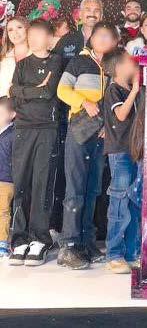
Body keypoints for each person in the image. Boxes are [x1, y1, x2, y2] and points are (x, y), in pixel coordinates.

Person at [57, 21, 118, 270]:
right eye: (98, 35)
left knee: (93, 189)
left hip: (101, 134)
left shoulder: (114, 67)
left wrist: (108, 126)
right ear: (91, 39)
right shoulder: (79, 61)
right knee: (75, 188)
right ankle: (69, 246)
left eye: (108, 36)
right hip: (79, 130)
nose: (103, 39)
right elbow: (62, 90)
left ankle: (87, 242)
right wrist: (83, 102)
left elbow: (116, 101)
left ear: (115, 42)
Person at [8, 20, 63, 266]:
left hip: (47, 129)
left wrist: (25, 90)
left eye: (40, 34)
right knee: (21, 182)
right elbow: (13, 94)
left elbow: (48, 92)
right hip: (23, 129)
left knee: (42, 182)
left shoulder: (57, 61)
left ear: (50, 38)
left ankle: (40, 238)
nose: (34, 38)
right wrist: (30, 90)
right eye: (31, 34)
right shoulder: (21, 64)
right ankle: (19, 239)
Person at [102, 48, 141, 273]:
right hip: (120, 153)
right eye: (128, 61)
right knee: (119, 201)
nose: (133, 64)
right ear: (117, 67)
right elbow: (121, 115)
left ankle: (132, 252)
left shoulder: (134, 91)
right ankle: (114, 254)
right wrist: (135, 90)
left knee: (134, 202)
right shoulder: (114, 90)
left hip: (136, 152)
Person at [54, 0, 103, 69]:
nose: (92, 14)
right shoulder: (66, 40)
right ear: (80, 14)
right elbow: (54, 67)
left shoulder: (108, 41)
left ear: (101, 16)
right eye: (88, 10)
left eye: (96, 11)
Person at [0, 16, 30, 97]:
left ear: (27, 29)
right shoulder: (3, 59)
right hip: (5, 102)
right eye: (10, 30)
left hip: (34, 102)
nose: (15, 32)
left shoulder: (40, 53)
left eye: (19, 27)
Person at [0, 96, 15, 257]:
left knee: (3, 211)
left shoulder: (12, 134)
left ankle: (2, 242)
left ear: (12, 115)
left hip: (5, 180)